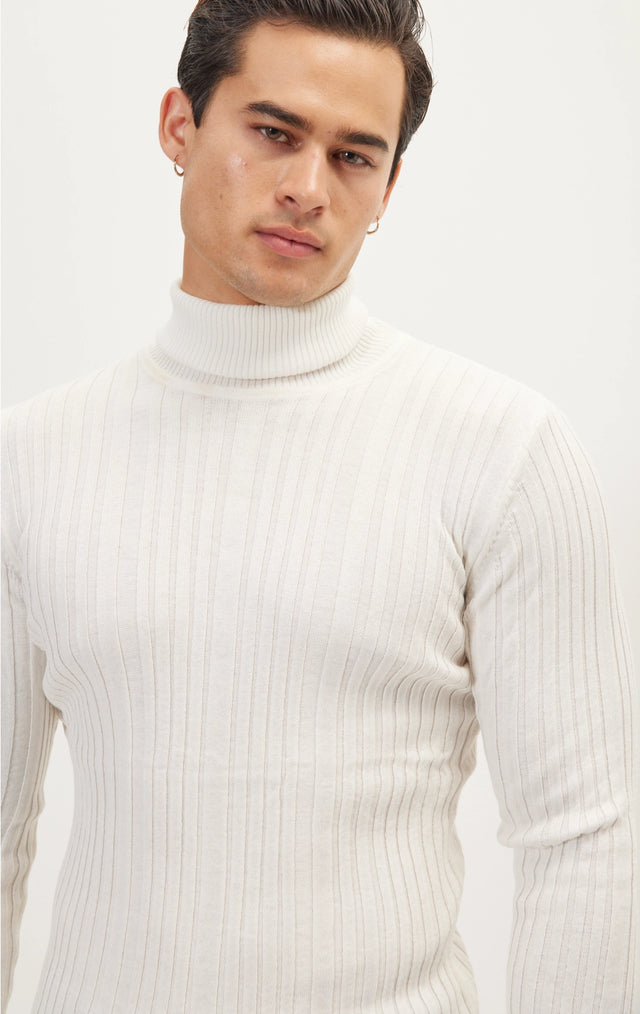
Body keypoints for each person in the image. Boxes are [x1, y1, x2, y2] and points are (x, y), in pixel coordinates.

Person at [2, 0, 637, 1011]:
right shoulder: (33, 460)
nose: (307, 187)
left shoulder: (502, 451)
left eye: (352, 156)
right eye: (273, 132)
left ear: (388, 186)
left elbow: (587, 839)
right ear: (179, 125)